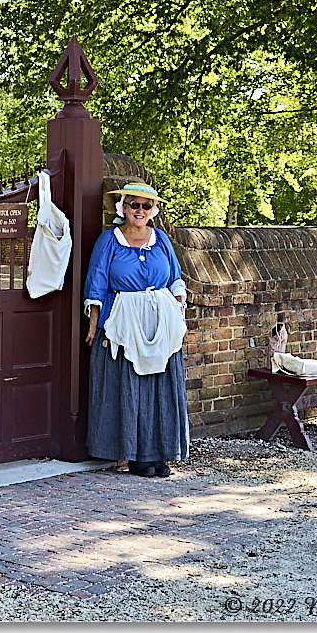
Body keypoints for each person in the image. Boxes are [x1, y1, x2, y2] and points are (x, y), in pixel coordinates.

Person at [82, 182, 189, 477]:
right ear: (123, 208)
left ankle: (159, 453)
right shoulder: (109, 240)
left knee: (159, 389)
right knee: (129, 389)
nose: (139, 211)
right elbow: (97, 282)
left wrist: (178, 319)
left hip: (160, 324)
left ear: (152, 210)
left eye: (145, 206)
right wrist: (94, 325)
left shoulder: (162, 240)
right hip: (123, 323)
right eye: (134, 205)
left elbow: (176, 279)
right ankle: (131, 455)